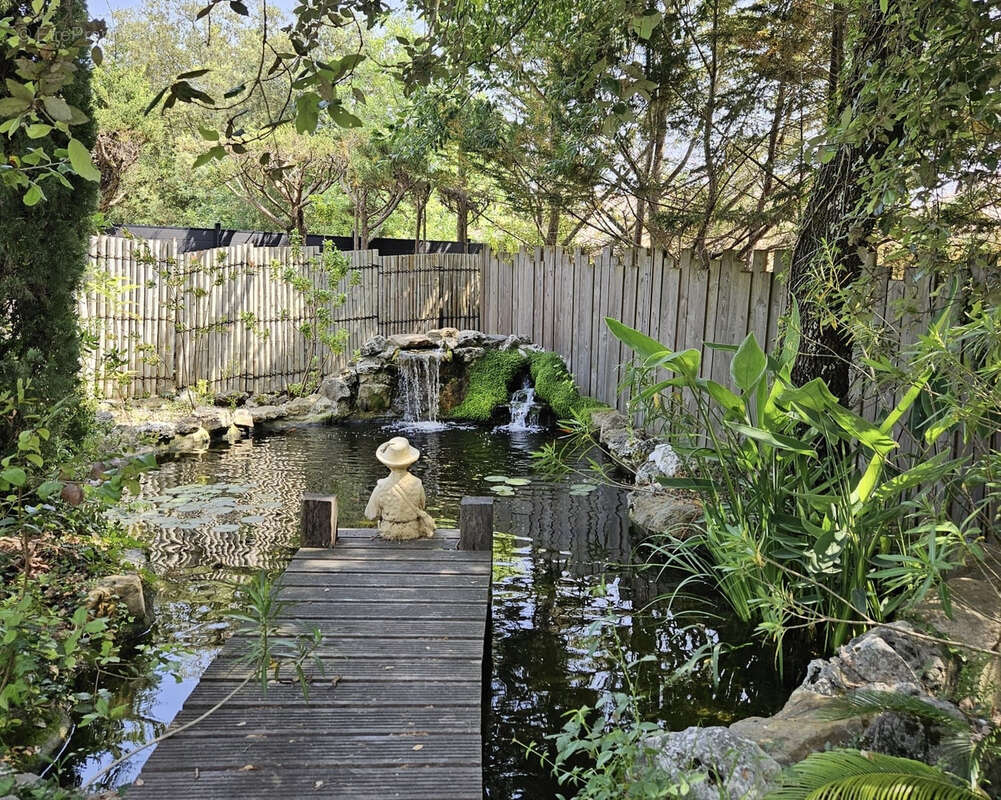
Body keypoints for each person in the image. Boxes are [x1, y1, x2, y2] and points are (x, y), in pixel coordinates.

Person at [364, 436, 436, 540]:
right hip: (412, 532)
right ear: (409, 462)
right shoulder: (417, 483)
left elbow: (371, 514)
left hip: (389, 532)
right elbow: (422, 505)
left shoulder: (381, 487)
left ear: (388, 464)